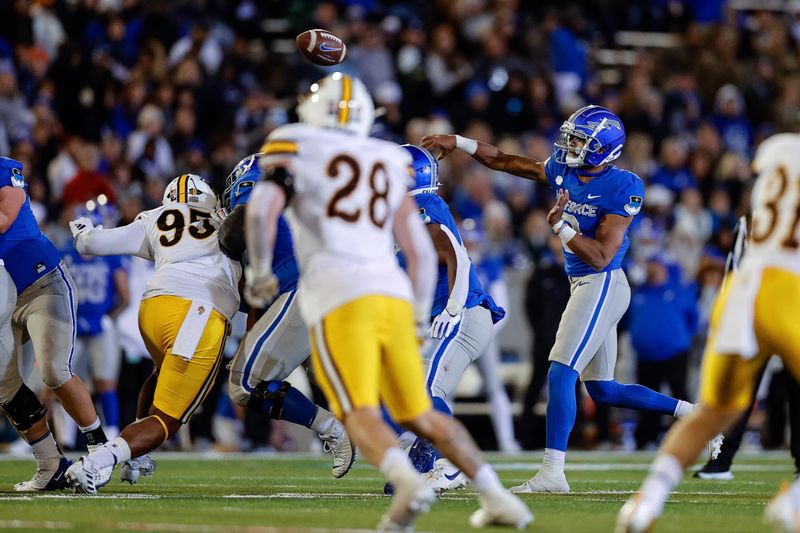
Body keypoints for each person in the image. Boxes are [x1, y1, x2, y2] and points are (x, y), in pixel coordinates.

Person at [244, 72, 532, 530]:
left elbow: (261, 208)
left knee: (358, 412)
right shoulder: (385, 160)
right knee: (418, 409)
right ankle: (495, 495)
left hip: (339, 294)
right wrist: (417, 316)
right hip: (393, 296)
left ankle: (409, 483)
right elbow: (417, 253)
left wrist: (259, 271)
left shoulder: (295, 145)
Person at [422, 105, 703, 493]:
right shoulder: (564, 168)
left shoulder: (624, 186)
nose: (569, 145)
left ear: (603, 149)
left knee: (559, 371)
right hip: (584, 283)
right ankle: (694, 415)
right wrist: (459, 142)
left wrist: (561, 229)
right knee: (603, 389)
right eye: (570, 137)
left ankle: (552, 473)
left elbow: (602, 256)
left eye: (579, 140)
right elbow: (505, 161)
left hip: (602, 282)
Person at [616, 133, 800, 533]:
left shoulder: (778, 150)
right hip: (791, 292)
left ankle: (645, 503)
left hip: (743, 290)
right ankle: (794, 504)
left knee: (712, 413)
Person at [65, 173, 240, 493]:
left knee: (161, 374)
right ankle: (97, 462)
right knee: (167, 421)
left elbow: (93, 243)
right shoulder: (226, 222)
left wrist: (83, 232)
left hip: (153, 310)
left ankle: (135, 455)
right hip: (196, 313)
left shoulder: (154, 218)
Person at [218, 153, 355, 478]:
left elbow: (232, 233)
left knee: (243, 385)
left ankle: (332, 430)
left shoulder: (258, 205)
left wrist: (217, 234)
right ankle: (413, 451)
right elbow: (259, 306)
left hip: (303, 291)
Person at [386, 144, 507, 494]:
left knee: (428, 390)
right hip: (439, 318)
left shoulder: (423, 206)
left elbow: (458, 257)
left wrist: (453, 308)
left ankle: (449, 462)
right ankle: (421, 455)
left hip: (462, 313)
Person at [0, 156, 108, 491]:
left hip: (42, 284)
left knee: (54, 371)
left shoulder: (5, 169)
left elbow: (5, 217)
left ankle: (101, 452)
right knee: (4, 385)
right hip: (4, 297)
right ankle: (51, 464)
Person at [60, 199, 129, 443]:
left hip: (100, 325)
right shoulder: (67, 252)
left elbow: (125, 295)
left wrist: (109, 318)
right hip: (74, 327)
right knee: (63, 383)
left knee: (105, 382)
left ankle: (111, 434)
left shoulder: (109, 255)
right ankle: (66, 437)